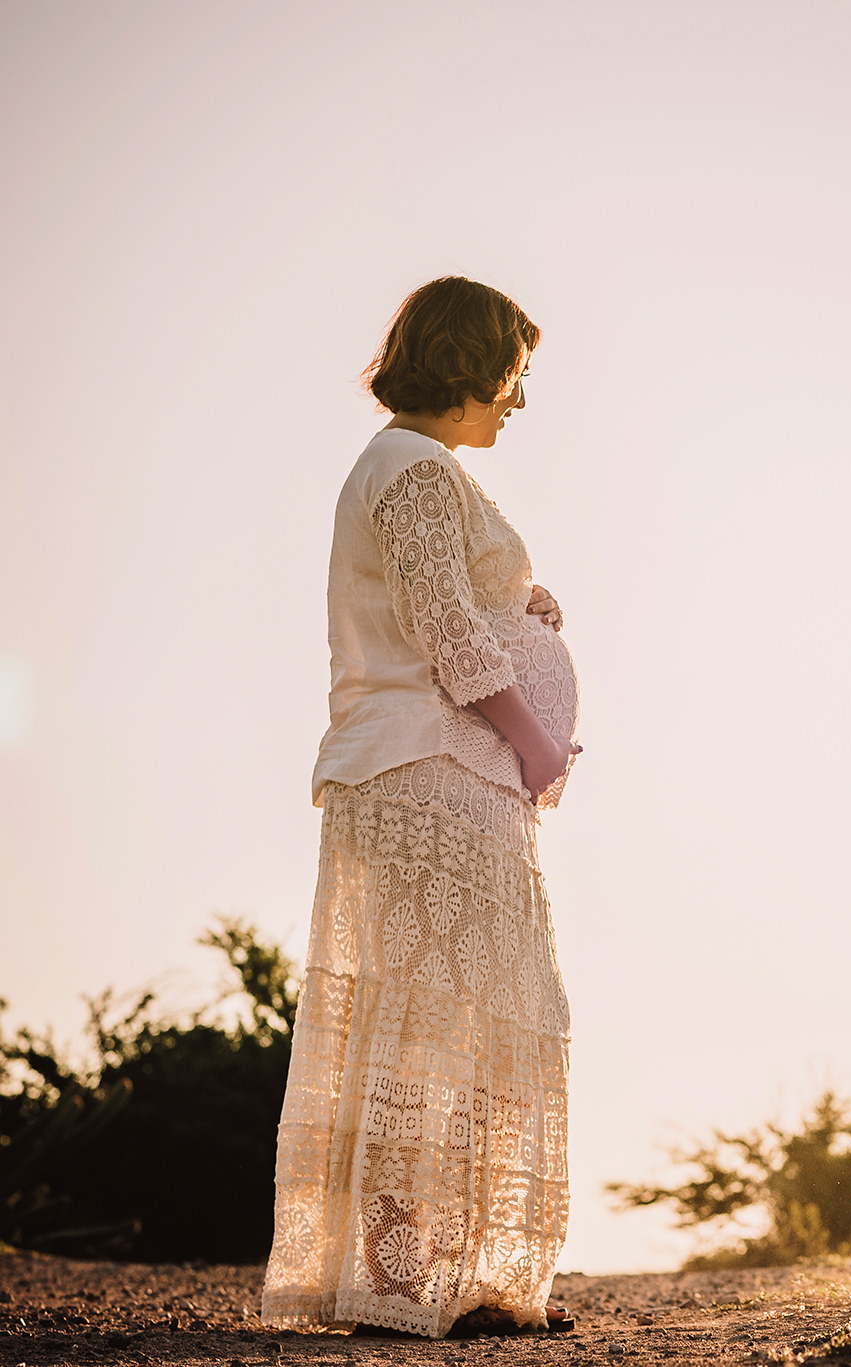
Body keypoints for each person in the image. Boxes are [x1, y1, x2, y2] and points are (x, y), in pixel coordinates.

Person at [262, 277, 582, 1338]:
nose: (517, 402)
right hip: (428, 772)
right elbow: (442, 632)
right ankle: (406, 1284)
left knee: (455, 1020)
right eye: (511, 376)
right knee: (435, 1026)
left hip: (433, 774)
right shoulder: (411, 465)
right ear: (468, 361)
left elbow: (438, 603)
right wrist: (537, 742)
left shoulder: (409, 470)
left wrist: (520, 607)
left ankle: (445, 1276)